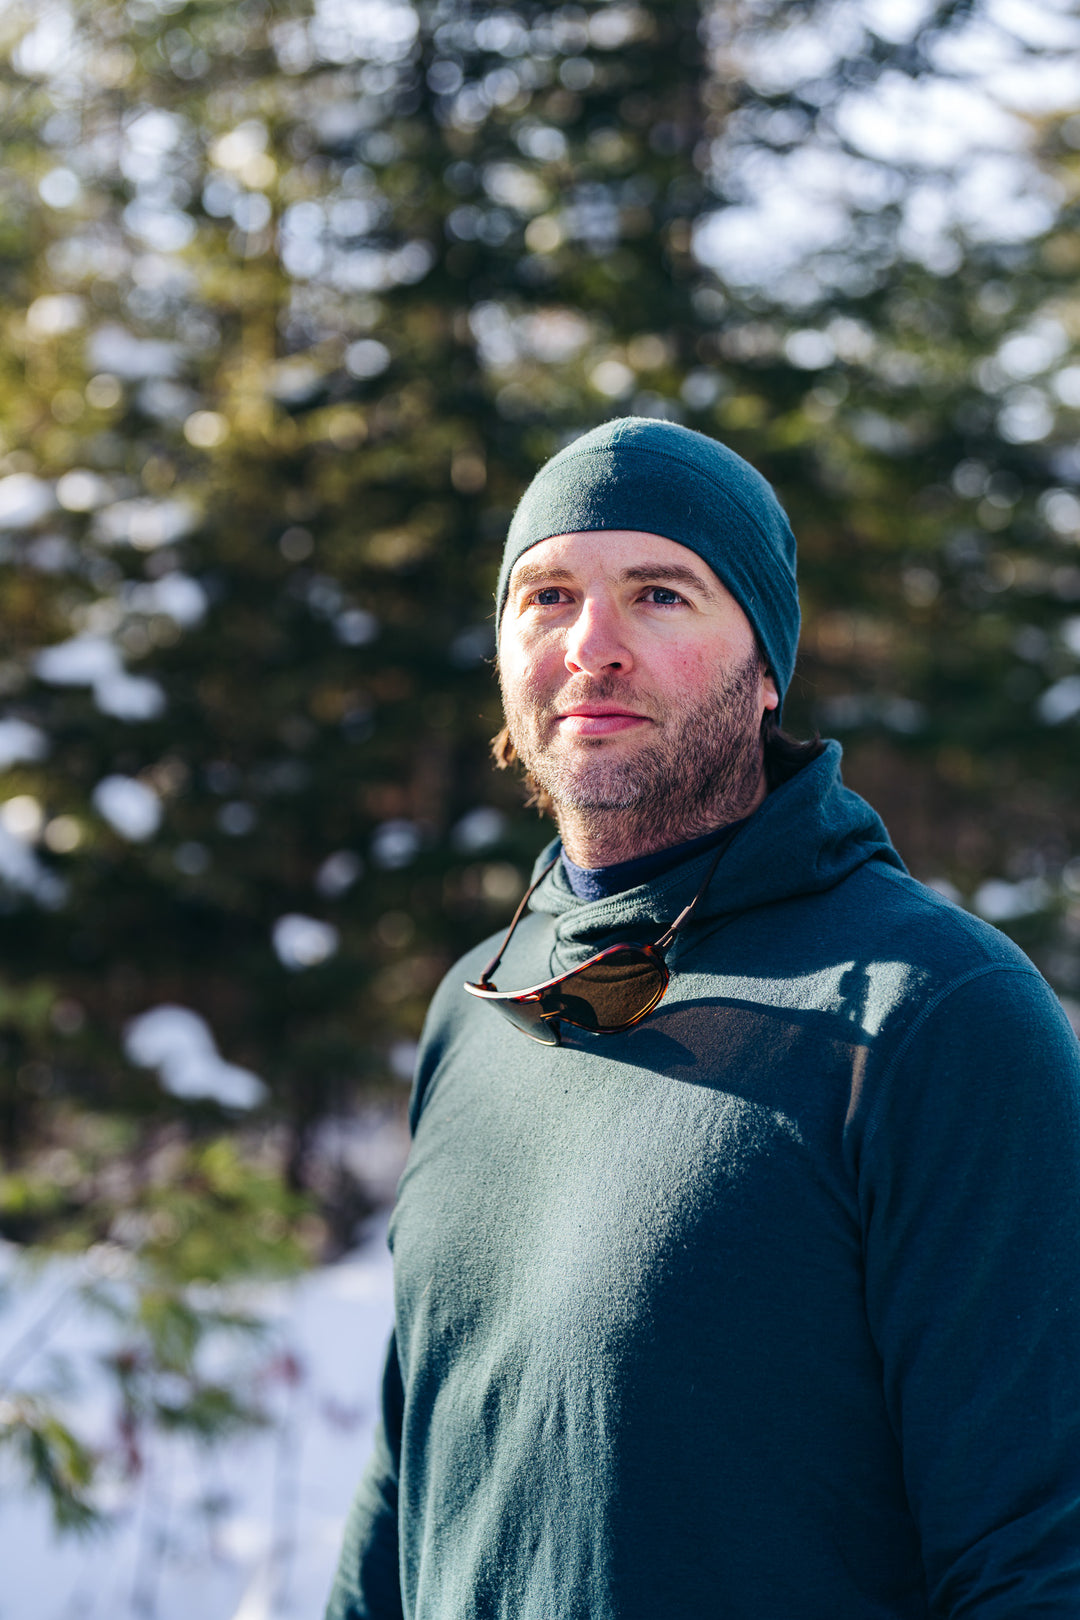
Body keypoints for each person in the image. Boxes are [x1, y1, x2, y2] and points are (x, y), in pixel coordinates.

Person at [326, 417, 1080, 1620]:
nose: (592, 646)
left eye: (661, 593)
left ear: (768, 664)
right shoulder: (480, 1005)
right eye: (548, 594)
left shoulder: (935, 1016)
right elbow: (405, 1493)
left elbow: (1039, 1562)